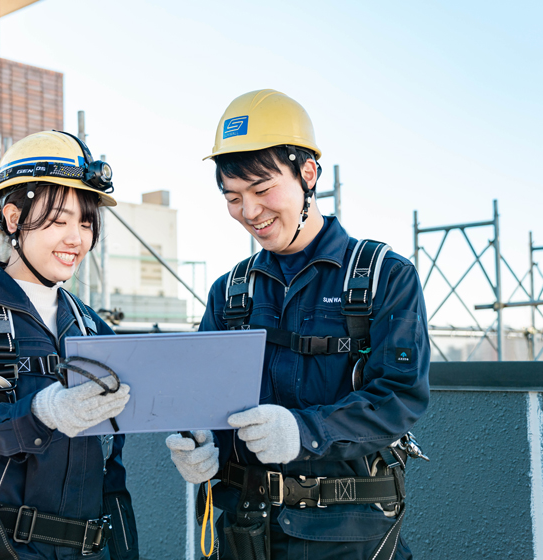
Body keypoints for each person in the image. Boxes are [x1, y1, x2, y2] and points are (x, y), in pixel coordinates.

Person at [166, 90, 430, 560]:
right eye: (233, 197)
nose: (249, 213)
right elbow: (204, 396)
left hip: (347, 536)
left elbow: (399, 396)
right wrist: (200, 441)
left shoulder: (384, 276)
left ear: (308, 173)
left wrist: (305, 431)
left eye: (263, 190)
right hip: (244, 530)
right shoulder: (230, 292)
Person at [0, 131, 139, 560]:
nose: (76, 239)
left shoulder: (93, 330)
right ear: (13, 218)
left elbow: (112, 472)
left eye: (86, 223)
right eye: (59, 221)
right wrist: (36, 415)